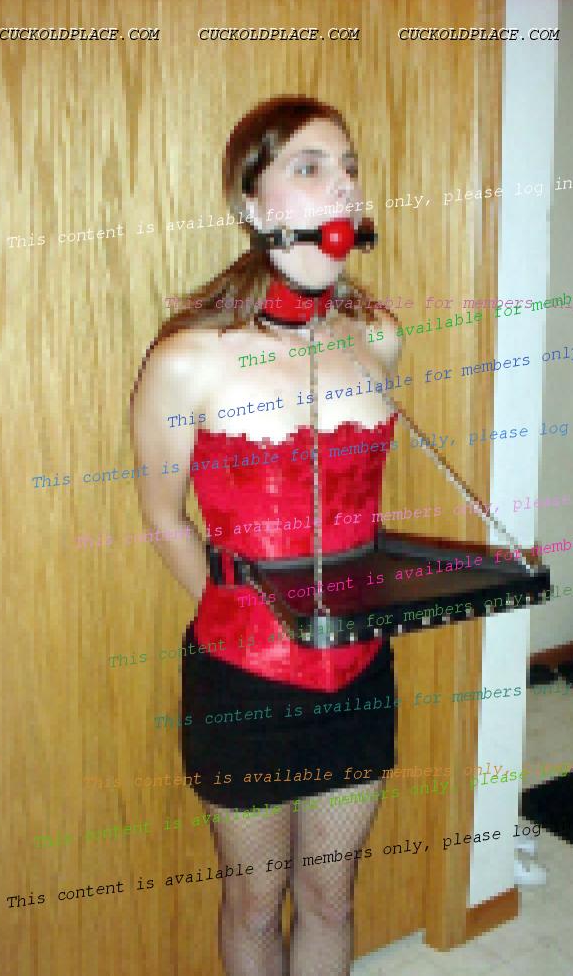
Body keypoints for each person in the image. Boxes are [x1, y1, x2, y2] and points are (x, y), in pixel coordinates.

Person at [130, 94, 403, 976]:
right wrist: (251, 620)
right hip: (241, 685)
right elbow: (163, 520)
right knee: (252, 904)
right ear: (251, 203)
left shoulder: (377, 338)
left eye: (349, 168)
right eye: (309, 168)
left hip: (361, 672)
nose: (342, 187)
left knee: (331, 897)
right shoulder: (189, 358)